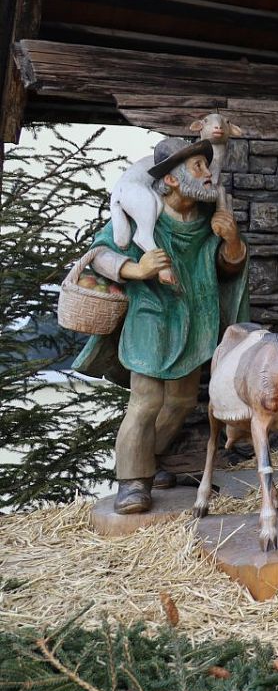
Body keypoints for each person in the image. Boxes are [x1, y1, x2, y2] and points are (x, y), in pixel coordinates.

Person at [74, 138, 250, 515]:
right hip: (152, 317)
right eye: (197, 167)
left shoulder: (207, 220)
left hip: (196, 318)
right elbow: (100, 252)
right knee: (147, 400)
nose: (207, 174)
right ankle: (133, 482)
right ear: (170, 179)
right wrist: (136, 269)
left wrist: (232, 239)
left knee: (183, 401)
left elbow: (229, 270)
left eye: (206, 165)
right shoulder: (144, 214)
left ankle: (148, 462)